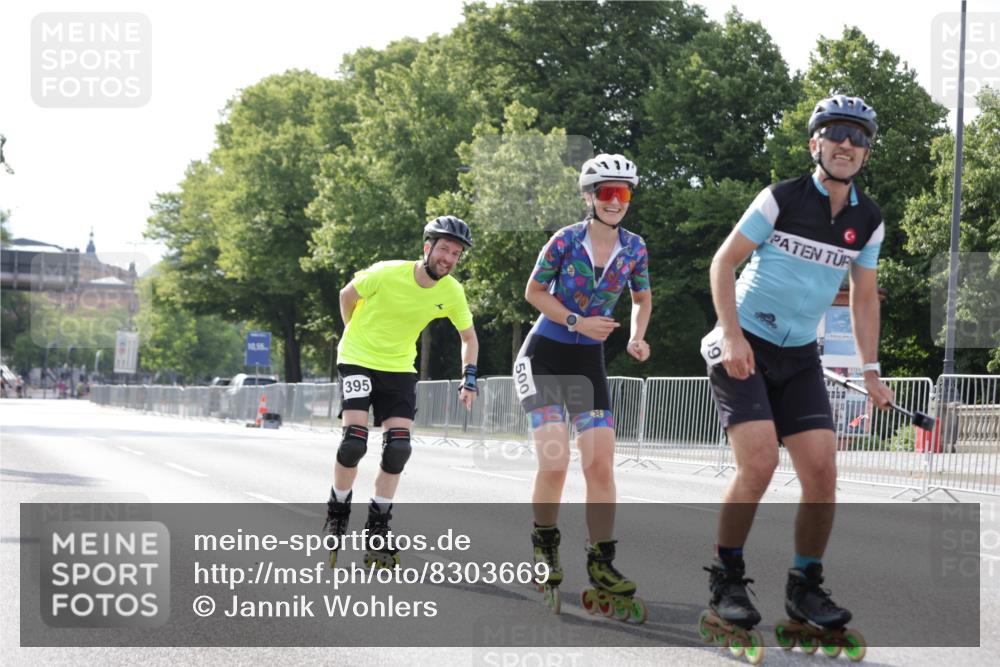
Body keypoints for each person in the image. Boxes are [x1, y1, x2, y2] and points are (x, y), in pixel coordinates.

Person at [701, 95, 893, 641]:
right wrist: (731, 334)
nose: (847, 144)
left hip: (800, 356)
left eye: (858, 138)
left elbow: (864, 297)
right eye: (836, 134)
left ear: (866, 152)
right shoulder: (780, 198)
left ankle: (804, 586)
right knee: (759, 464)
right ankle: (726, 579)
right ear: (815, 144)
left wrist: (871, 370)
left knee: (823, 472)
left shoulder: (868, 219)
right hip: (744, 343)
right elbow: (723, 262)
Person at [516, 153, 652, 620]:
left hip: (587, 362)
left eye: (623, 193)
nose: (616, 201)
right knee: (555, 460)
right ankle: (545, 547)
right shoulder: (565, 239)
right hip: (544, 356)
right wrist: (576, 320)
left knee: (600, 464)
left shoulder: (634, 247)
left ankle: (602, 562)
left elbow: (642, 296)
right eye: (607, 193)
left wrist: (636, 335)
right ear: (589, 197)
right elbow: (534, 291)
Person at [322, 216, 479, 567]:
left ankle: (377, 528)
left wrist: (469, 377)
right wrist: (353, 332)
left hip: (399, 368)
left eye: (456, 254)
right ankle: (338, 510)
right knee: (354, 441)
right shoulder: (387, 272)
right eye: (443, 249)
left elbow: (469, 337)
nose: (448, 259)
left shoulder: (451, 291)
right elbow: (347, 295)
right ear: (427, 248)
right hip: (357, 359)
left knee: (398, 449)